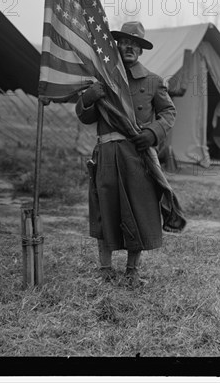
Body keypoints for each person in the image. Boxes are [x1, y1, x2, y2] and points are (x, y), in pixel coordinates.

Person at [76, 21, 177, 286]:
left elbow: (169, 113)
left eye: (135, 44)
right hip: (107, 153)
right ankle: (105, 270)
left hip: (137, 153)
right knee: (105, 208)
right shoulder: (103, 79)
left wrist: (153, 132)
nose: (129, 47)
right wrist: (88, 97)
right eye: (125, 42)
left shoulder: (154, 81)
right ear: (117, 46)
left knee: (139, 209)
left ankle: (132, 271)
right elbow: (85, 117)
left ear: (141, 50)